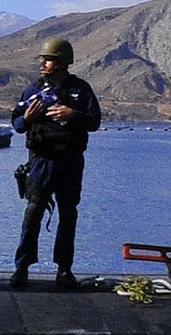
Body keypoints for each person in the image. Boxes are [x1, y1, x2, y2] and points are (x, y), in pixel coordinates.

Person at [10, 37, 102, 290]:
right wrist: (27, 118)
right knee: (33, 213)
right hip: (41, 161)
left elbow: (94, 121)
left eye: (48, 59)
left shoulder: (80, 90)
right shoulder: (33, 90)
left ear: (61, 63)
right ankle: (22, 268)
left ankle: (64, 270)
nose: (43, 63)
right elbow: (16, 124)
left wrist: (72, 115)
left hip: (70, 161)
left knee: (68, 214)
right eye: (43, 59)